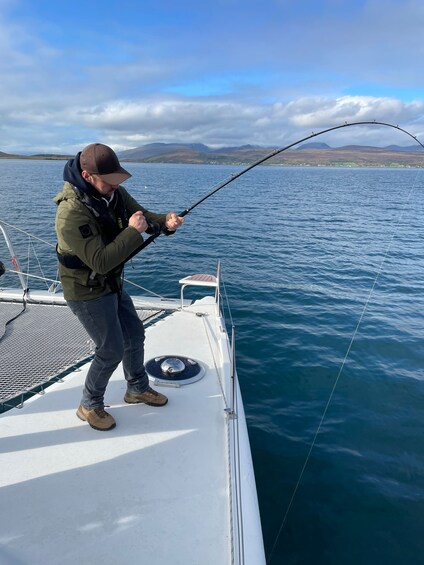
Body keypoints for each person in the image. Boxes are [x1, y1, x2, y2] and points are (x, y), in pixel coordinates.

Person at [54, 143, 184, 431]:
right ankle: (89, 404)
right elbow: (100, 261)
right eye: (108, 181)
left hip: (111, 283)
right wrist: (132, 231)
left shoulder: (114, 194)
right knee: (110, 349)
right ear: (88, 176)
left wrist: (166, 222)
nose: (114, 186)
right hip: (86, 291)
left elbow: (143, 216)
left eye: (117, 180)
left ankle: (136, 388)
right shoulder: (70, 213)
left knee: (134, 334)